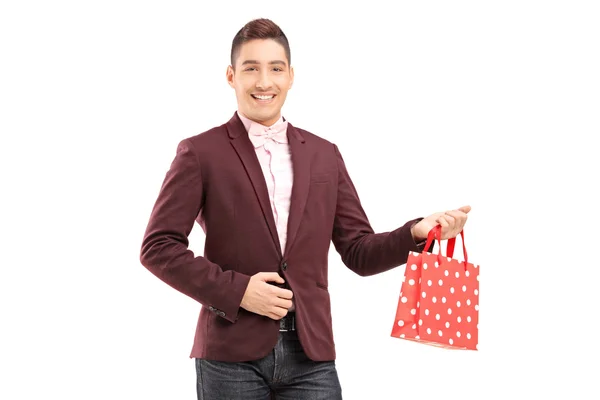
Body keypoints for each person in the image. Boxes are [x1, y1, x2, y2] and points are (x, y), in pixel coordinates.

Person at [139, 18, 470, 400]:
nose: (264, 82)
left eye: (275, 69)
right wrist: (238, 291)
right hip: (229, 357)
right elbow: (158, 248)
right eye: (251, 68)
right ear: (231, 76)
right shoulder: (200, 152)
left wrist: (414, 233)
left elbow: (359, 252)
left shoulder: (324, 154)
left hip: (310, 355)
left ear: (291, 76)